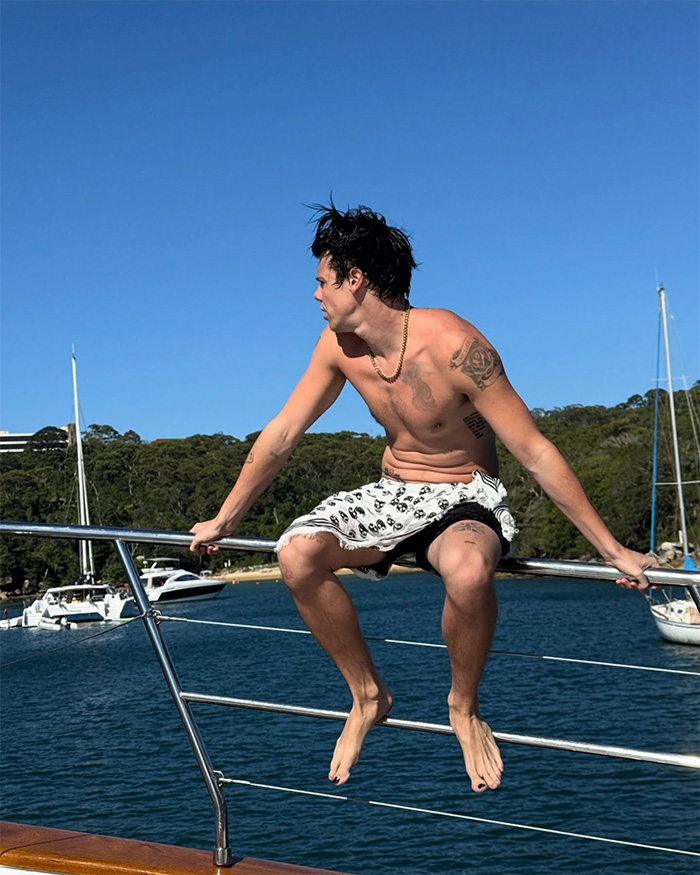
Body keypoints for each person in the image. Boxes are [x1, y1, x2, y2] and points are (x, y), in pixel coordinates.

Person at [190, 204, 656, 794]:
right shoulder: (338, 347)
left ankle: (462, 707)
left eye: (321, 280)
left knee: (466, 573)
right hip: (394, 493)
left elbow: (534, 451)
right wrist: (225, 518)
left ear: (355, 279)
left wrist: (613, 550)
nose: (315, 295)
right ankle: (367, 695)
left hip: (466, 494)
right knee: (297, 553)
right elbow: (282, 434)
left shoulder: (457, 346)